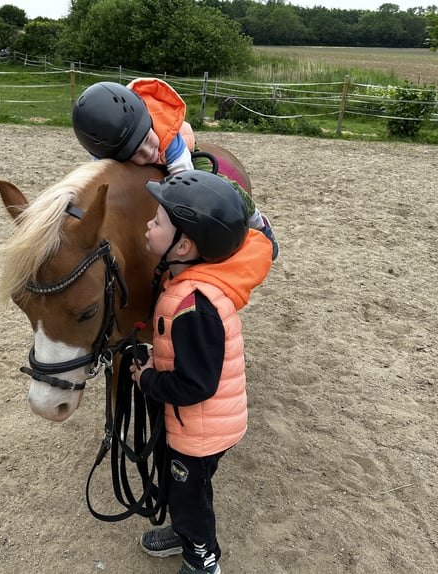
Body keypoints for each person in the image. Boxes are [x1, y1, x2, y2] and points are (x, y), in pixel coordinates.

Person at [129, 170, 272, 574]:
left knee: (190, 494)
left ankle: (202, 558)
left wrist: (147, 380)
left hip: (202, 428)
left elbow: (196, 384)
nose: (147, 225)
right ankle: (185, 532)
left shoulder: (196, 306)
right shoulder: (185, 281)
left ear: (184, 244)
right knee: (183, 487)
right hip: (199, 422)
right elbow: (186, 357)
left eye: (157, 222)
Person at [72, 78, 279, 260]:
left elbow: (185, 180)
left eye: (146, 140)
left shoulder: (165, 135)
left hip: (183, 157)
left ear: (149, 121)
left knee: (221, 187)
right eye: (136, 153)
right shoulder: (109, 152)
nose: (148, 152)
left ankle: (258, 222)